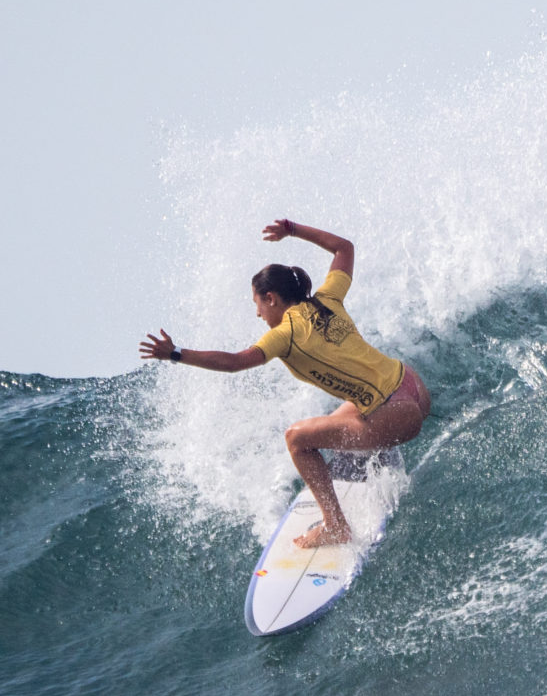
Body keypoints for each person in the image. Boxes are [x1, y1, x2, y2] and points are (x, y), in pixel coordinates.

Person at [138, 219, 432, 549]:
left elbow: (234, 362)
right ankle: (373, 452)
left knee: (297, 439)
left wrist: (176, 353)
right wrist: (292, 230)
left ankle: (335, 526)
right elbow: (343, 247)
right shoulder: (327, 298)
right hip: (412, 386)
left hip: (398, 415)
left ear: (271, 298)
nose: (258, 314)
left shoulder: (284, 335)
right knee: (335, 423)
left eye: (257, 305)